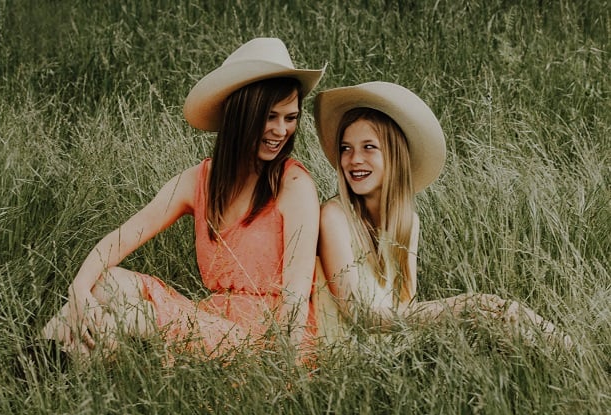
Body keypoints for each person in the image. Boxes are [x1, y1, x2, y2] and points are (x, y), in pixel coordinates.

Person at [38, 38, 325, 363]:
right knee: (104, 283)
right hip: (213, 320)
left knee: (131, 318)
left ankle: (44, 370)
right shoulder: (199, 180)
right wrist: (77, 289)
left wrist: (282, 368)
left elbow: (296, 295)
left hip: (264, 341)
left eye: (291, 117)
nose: (282, 130)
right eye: (270, 116)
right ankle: (44, 362)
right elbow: (123, 236)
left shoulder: (294, 184)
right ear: (240, 115)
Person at [312, 81, 571, 348]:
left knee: (500, 310)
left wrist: (466, 308)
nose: (354, 159)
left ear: (395, 155)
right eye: (346, 148)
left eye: (369, 147)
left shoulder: (407, 221)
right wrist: (457, 307)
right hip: (349, 352)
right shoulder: (334, 216)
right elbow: (361, 315)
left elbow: (405, 307)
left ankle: (576, 356)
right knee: (481, 311)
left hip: (392, 346)